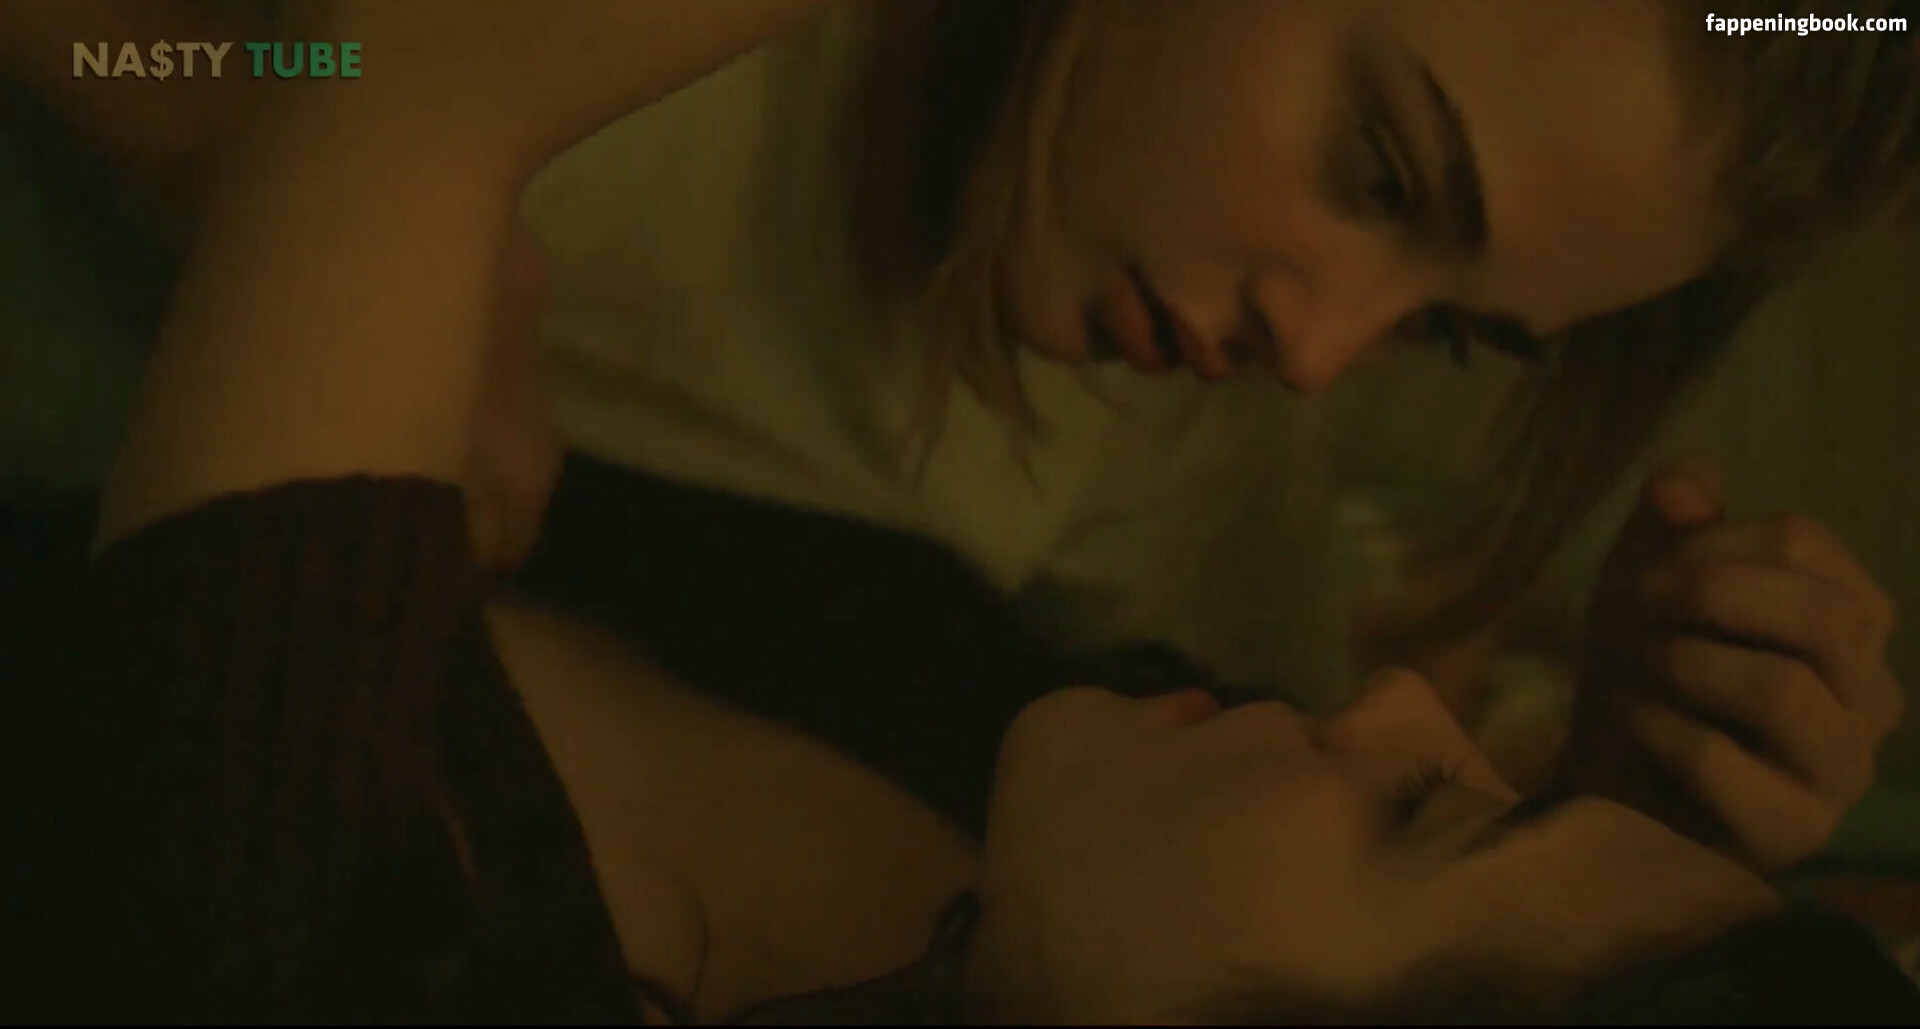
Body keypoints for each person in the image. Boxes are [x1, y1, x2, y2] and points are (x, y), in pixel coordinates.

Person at [17, 1, 1917, 1024]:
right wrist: (256, 120)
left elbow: (1265, 920)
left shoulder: (1156, 476)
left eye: (1451, 334)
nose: (1322, 355)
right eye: (1379, 163)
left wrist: (1623, 901)